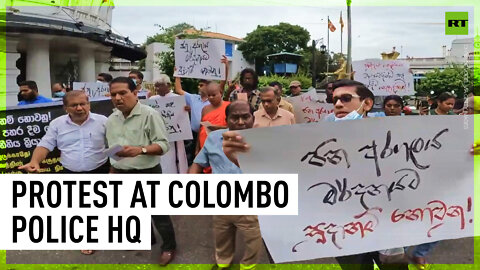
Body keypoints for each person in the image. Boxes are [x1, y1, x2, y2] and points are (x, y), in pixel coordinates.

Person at [222, 80, 411, 270]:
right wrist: (239, 160)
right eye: (335, 100)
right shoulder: (322, 141)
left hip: (388, 226)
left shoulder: (390, 137)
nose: (338, 104)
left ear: (367, 104)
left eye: (346, 99)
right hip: (345, 229)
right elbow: (290, 170)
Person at [105, 76, 176, 266]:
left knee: (158, 214)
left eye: (123, 93)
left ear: (135, 93)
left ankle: (169, 247)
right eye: (114, 94)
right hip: (121, 172)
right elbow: (114, 149)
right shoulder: (111, 119)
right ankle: (147, 238)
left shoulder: (149, 114)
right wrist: (113, 169)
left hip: (147, 171)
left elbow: (163, 145)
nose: (118, 98)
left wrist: (141, 149)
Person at [189, 101, 262, 270]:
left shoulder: (264, 141)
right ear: (226, 119)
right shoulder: (214, 138)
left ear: (253, 117)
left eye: (245, 116)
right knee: (222, 235)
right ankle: (223, 262)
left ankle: (248, 266)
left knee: (253, 238)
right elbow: (199, 162)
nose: (241, 122)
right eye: (235, 117)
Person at [149, 74, 188, 174]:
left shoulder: (177, 98)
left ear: (168, 85)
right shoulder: (152, 100)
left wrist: (187, 110)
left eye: (160, 85)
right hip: (157, 136)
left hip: (174, 135)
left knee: (175, 160)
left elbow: (183, 118)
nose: (157, 88)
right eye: (156, 86)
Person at [197, 82, 230, 153]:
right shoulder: (205, 109)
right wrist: (197, 149)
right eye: (209, 95)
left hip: (221, 147)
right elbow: (200, 129)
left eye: (214, 95)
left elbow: (232, 128)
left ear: (221, 93)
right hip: (204, 146)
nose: (211, 97)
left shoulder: (229, 107)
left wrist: (216, 128)